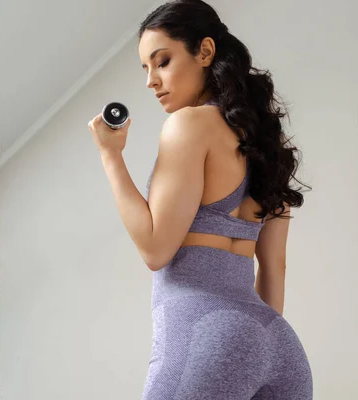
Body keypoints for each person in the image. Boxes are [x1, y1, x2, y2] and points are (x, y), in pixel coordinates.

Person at [87, 0, 313, 398]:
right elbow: (273, 266)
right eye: (145, 69)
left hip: (205, 331)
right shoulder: (267, 143)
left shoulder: (188, 124)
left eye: (162, 61)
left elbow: (156, 249)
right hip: (276, 342)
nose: (151, 81)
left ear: (205, 52)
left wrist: (111, 156)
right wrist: (249, 343)